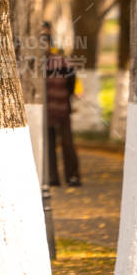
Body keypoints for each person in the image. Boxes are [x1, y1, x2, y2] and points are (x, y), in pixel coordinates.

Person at [44, 22, 82, 187]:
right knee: (49, 144)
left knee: (67, 143)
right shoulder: (35, 63)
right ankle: (53, 177)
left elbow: (72, 79)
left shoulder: (61, 61)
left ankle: (73, 176)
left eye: (45, 43)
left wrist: (68, 97)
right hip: (45, 112)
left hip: (61, 108)